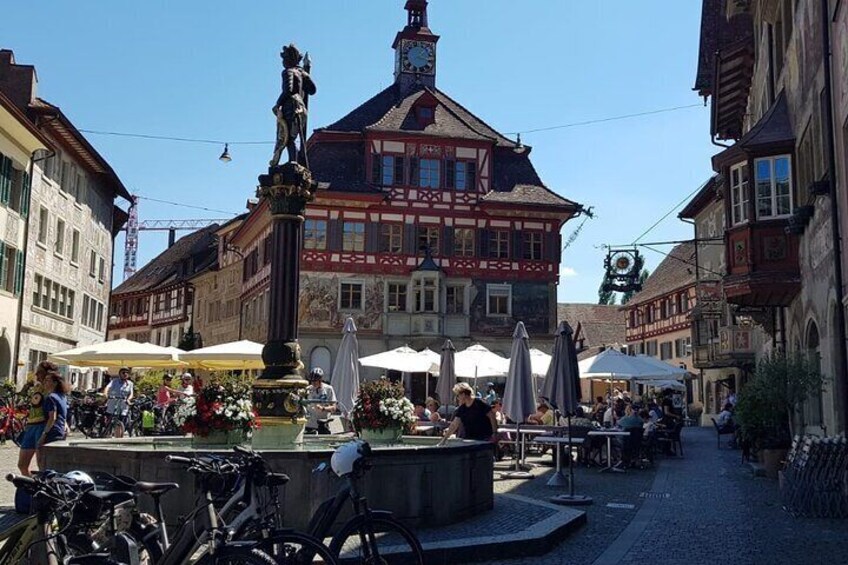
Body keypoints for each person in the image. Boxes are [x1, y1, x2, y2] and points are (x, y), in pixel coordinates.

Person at [270, 43, 317, 167]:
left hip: (291, 105)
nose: (283, 62)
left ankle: (293, 161)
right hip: (301, 107)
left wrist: (277, 104)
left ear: (289, 59)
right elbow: (312, 89)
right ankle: (294, 161)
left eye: (284, 59)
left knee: (286, 136)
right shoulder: (301, 73)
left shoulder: (288, 72)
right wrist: (304, 74)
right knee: (293, 136)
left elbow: (288, 90)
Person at [18, 361, 57, 476]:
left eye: (39, 372)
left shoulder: (51, 389)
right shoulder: (37, 386)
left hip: (42, 425)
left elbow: (56, 409)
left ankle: (41, 489)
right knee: (22, 465)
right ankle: (30, 485)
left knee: (41, 465)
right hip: (31, 426)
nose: (36, 375)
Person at [37, 371, 69, 468]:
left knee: (44, 462)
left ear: (54, 383)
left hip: (52, 432)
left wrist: (43, 435)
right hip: (61, 431)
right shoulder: (62, 396)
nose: (45, 383)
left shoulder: (51, 398)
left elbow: (52, 417)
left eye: (47, 380)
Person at [103, 367, 135, 438]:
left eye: (127, 373)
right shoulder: (114, 381)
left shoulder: (130, 383)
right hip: (113, 402)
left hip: (123, 404)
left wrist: (128, 399)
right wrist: (106, 394)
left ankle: (118, 439)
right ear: (119, 374)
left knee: (121, 420)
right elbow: (107, 387)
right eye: (123, 373)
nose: (125, 374)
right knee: (110, 419)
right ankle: (107, 432)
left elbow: (131, 393)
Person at [305, 368, 336, 434]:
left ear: (320, 380)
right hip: (309, 424)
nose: (313, 383)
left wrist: (323, 408)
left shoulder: (328, 389)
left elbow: (334, 408)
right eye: (312, 380)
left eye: (315, 381)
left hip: (322, 423)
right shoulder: (308, 389)